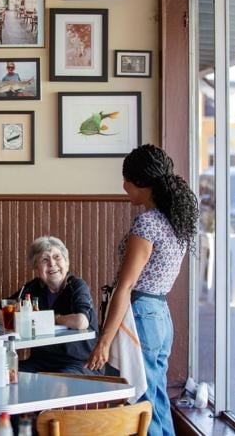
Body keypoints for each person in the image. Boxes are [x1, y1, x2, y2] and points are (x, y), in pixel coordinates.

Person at [86, 144, 198, 436]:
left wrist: (104, 341)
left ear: (142, 183)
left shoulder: (147, 223)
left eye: (127, 180)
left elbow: (125, 286)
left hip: (141, 314)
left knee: (142, 402)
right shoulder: (175, 221)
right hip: (161, 314)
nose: (124, 186)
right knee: (156, 396)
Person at [0, 236, 99, 374]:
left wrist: (49, 318)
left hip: (78, 363)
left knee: (58, 384)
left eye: (57, 257)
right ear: (37, 267)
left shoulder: (76, 286)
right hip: (40, 362)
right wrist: (23, 319)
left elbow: (81, 321)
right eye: (45, 260)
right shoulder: (33, 288)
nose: (52, 264)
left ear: (67, 262)